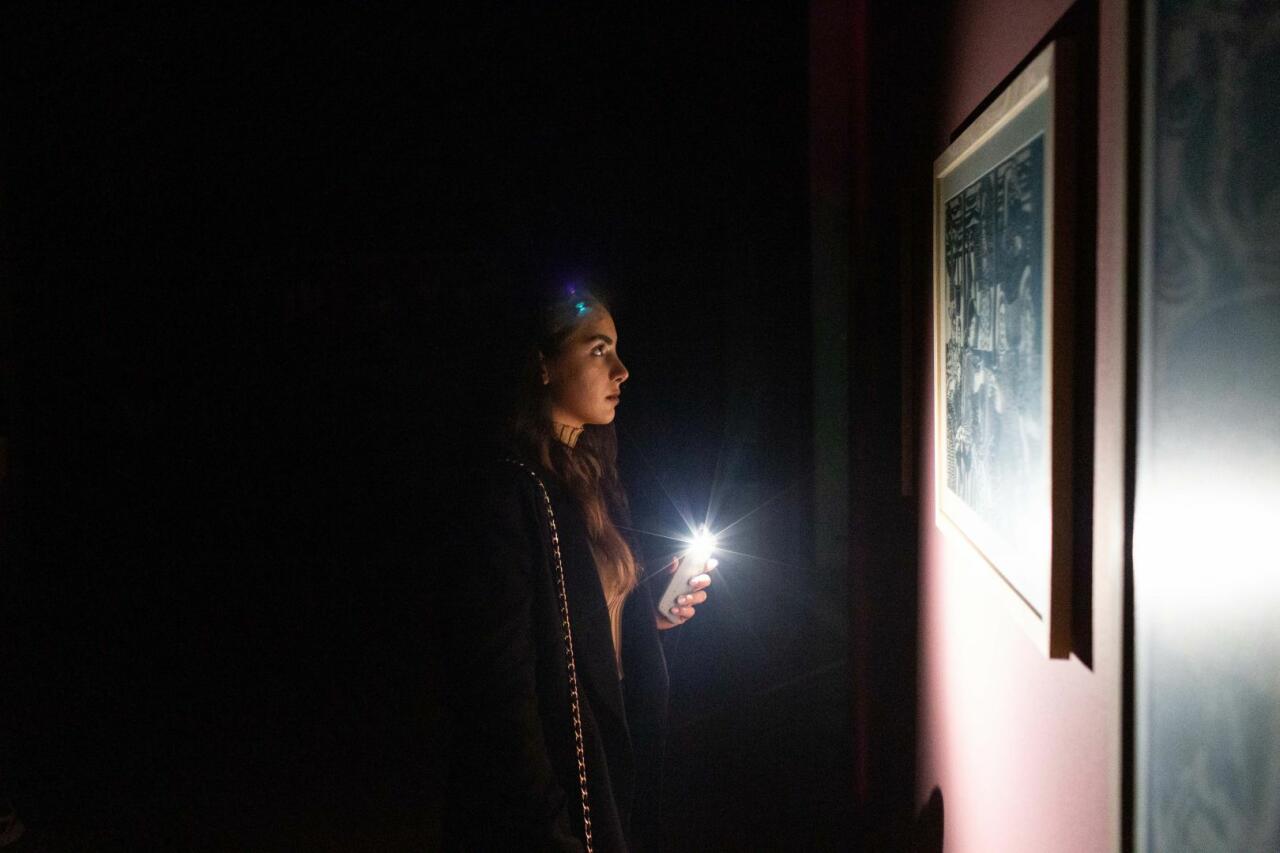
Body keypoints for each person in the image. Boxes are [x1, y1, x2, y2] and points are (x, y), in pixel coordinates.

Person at [442, 286, 713, 852]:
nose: (621, 370)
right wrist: (551, 821)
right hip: (559, 795)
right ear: (543, 366)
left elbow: (584, 623)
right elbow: (504, 686)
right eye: (597, 350)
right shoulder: (511, 492)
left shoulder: (592, 477)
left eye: (615, 349)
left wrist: (644, 615)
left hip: (606, 766)